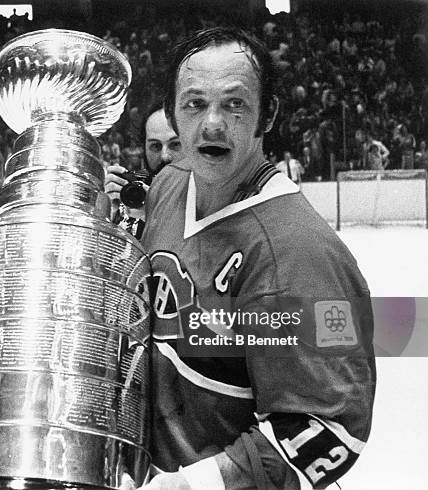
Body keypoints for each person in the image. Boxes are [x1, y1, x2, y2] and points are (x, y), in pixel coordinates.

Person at [130, 27, 375, 490]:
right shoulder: (170, 186)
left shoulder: (301, 256)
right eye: (195, 104)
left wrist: (184, 487)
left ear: (269, 114)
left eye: (235, 104)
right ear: (173, 115)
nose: (213, 124)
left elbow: (325, 430)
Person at [105, 103, 182, 239]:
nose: (164, 156)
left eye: (175, 144)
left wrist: (154, 218)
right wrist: (107, 218)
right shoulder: (135, 192)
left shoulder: (215, 197)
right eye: (155, 146)